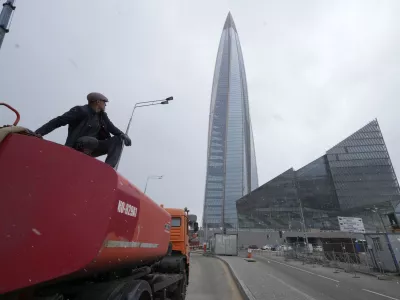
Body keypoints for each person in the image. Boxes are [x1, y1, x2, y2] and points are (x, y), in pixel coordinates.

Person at [35, 92, 131, 168]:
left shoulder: (102, 116)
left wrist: (123, 135)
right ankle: (78, 159)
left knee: (118, 139)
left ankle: (107, 169)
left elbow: (112, 128)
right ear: (97, 102)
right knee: (90, 140)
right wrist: (39, 133)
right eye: (104, 102)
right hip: (78, 145)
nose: (105, 105)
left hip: (93, 146)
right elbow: (59, 121)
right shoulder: (80, 111)